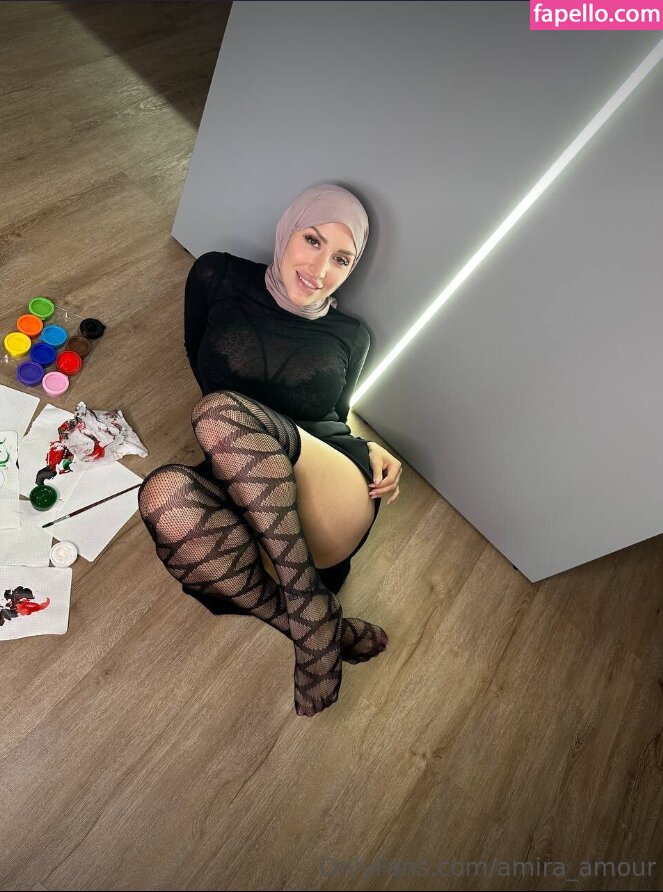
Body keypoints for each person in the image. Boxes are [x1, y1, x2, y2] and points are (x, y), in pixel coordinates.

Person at [137, 183, 402, 718]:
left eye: (341, 259)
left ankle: (305, 604)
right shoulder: (216, 275)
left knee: (215, 412)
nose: (320, 270)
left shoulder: (353, 336)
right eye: (312, 240)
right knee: (162, 493)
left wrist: (370, 444)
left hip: (328, 490)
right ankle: (316, 623)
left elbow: (335, 415)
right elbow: (197, 355)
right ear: (288, 229)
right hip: (245, 472)